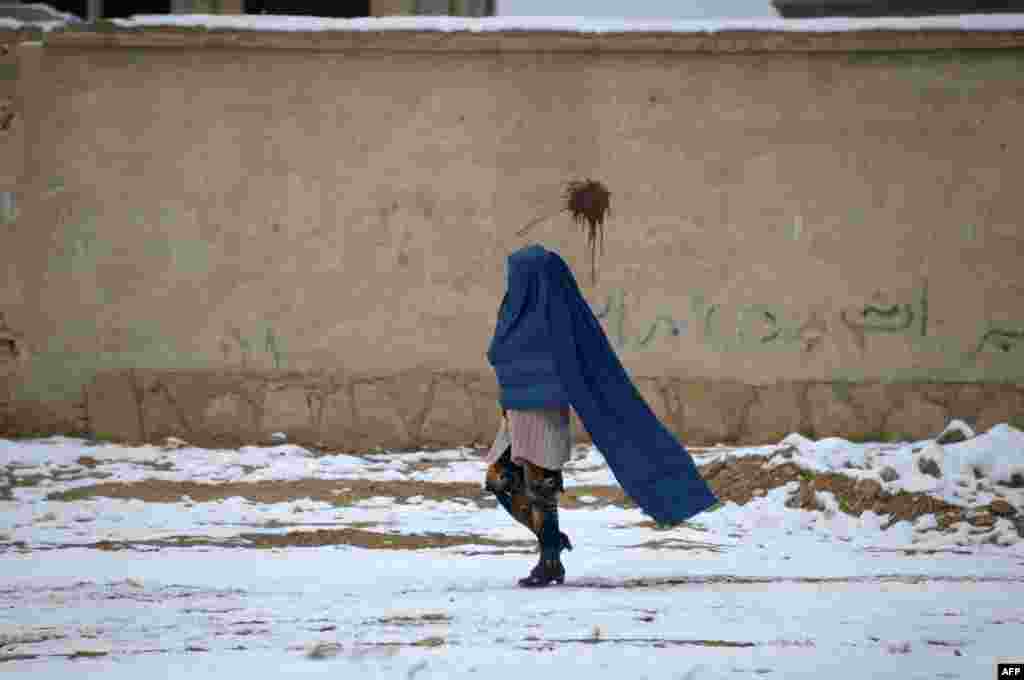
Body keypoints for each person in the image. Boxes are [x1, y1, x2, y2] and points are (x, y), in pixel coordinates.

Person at [484, 244, 719, 588]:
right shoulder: (515, 313)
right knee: (498, 479)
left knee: (540, 487)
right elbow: (500, 354)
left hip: (543, 410)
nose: (512, 281)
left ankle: (550, 562)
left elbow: (574, 360)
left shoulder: (552, 316)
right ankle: (551, 541)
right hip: (514, 410)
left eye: (517, 275)